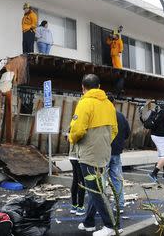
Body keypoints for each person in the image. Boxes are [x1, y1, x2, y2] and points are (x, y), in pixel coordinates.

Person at [69, 74, 120, 236]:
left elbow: (77, 130)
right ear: (99, 87)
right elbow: (114, 130)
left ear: (83, 88)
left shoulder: (84, 103)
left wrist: (71, 138)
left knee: (95, 190)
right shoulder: (109, 105)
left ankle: (110, 226)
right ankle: (89, 222)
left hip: (89, 153)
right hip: (104, 153)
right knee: (95, 188)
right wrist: (103, 143)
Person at [106, 93, 130, 214]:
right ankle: (119, 204)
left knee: (101, 181)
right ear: (114, 103)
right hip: (116, 152)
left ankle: (102, 206)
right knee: (117, 179)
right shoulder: (121, 116)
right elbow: (127, 133)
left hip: (104, 152)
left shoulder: (102, 116)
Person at [143, 98, 164, 183]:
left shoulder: (160, 111)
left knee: (162, 154)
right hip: (162, 136)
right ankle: (154, 173)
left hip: (155, 135)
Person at [68, 136, 86, 216]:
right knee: (81, 181)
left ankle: (74, 205)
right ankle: (80, 207)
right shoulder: (81, 124)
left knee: (75, 180)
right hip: (79, 156)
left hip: (72, 155)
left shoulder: (72, 124)